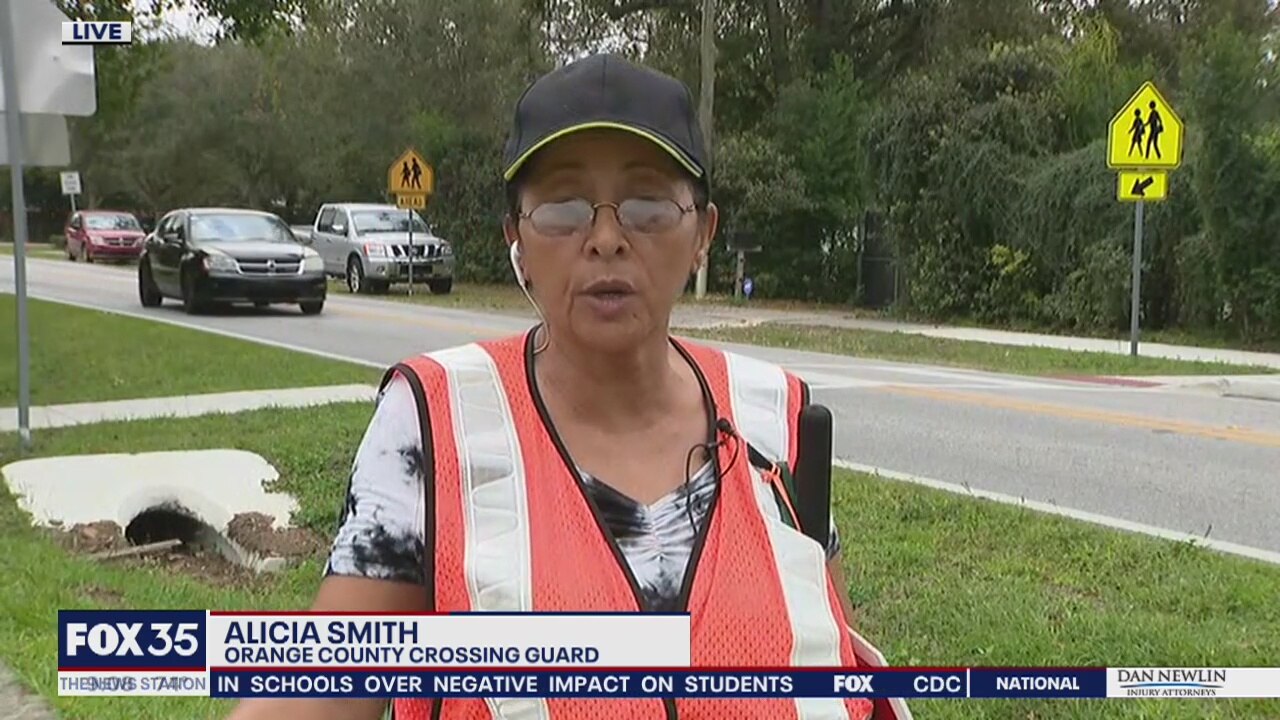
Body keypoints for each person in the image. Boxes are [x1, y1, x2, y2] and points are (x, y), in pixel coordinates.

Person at [227, 53, 886, 720]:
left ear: (703, 235)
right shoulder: (433, 423)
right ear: (516, 238)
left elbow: (829, 663)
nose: (606, 238)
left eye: (648, 206)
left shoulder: (777, 419)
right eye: (563, 209)